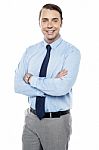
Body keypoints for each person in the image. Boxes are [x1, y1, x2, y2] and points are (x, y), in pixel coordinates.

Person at [14, 3, 81, 150]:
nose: (49, 25)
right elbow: (18, 86)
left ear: (61, 22)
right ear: (39, 23)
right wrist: (51, 84)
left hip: (56, 121)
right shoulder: (30, 51)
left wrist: (32, 80)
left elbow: (62, 88)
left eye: (54, 20)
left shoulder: (71, 53)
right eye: (45, 20)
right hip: (31, 119)